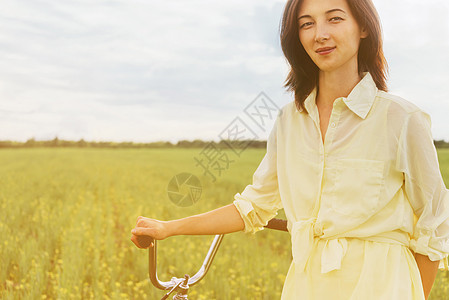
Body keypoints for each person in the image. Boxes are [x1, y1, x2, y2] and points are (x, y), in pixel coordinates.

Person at [131, 0, 449, 298]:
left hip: (384, 285)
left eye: (335, 18)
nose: (320, 34)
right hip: (307, 284)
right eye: (306, 24)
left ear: (363, 27)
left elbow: (435, 223)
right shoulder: (288, 121)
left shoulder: (402, 119)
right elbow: (253, 207)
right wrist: (168, 228)